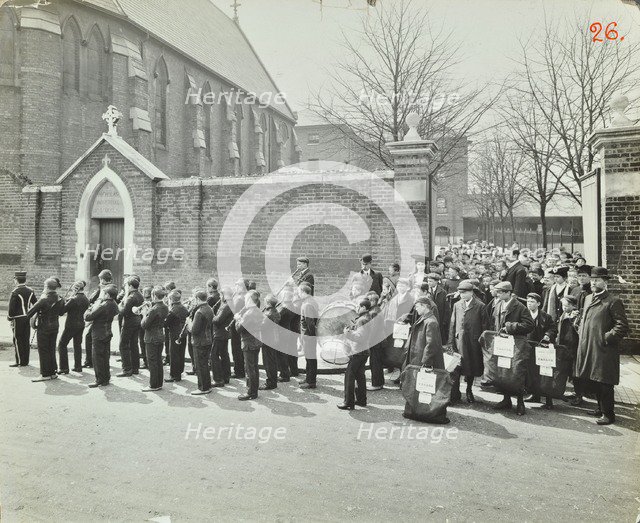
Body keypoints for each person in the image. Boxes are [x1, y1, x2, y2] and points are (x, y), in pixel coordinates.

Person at [574, 267, 628, 425]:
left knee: (604, 382)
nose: (593, 282)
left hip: (604, 349)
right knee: (594, 379)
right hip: (589, 347)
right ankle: (600, 408)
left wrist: (606, 338)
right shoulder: (588, 298)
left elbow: (622, 326)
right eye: (592, 280)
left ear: (605, 282)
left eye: (597, 280)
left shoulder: (613, 301)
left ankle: (608, 414)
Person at [489, 281, 534, 415]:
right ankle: (506, 399)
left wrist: (511, 327)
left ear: (508, 293)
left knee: (516, 373)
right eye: (497, 292)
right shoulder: (498, 304)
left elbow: (529, 325)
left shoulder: (520, 307)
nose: (497, 294)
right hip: (502, 344)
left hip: (516, 344)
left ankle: (520, 402)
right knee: (503, 372)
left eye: (500, 292)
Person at [402, 296, 448, 424]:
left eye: (417, 306)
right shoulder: (425, 319)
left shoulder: (431, 322)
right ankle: (418, 411)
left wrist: (426, 362)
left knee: (426, 387)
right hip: (418, 358)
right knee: (418, 386)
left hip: (423, 360)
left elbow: (431, 344)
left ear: (424, 306)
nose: (416, 309)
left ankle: (427, 412)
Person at [448, 280, 485, 404]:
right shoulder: (457, 305)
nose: (462, 295)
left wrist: (481, 341)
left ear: (471, 293)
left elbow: (485, 325)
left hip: (473, 342)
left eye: (465, 293)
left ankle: (469, 390)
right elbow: (453, 324)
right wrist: (451, 340)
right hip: (459, 341)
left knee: (471, 367)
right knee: (457, 366)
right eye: (460, 293)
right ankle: (455, 393)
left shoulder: (480, 306)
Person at [28, 278, 65, 382]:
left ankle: (45, 374)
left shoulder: (43, 299)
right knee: (51, 349)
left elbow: (30, 313)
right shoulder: (60, 298)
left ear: (47, 287)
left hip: (44, 327)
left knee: (43, 350)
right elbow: (61, 313)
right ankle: (53, 373)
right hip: (55, 326)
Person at [523, 292, 557, 408]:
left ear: (538, 303)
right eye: (528, 302)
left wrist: (548, 335)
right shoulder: (524, 314)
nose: (529, 304)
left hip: (542, 348)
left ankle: (548, 400)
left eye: (532, 302)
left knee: (545, 373)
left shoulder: (545, 316)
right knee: (532, 372)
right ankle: (535, 395)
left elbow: (553, 328)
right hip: (528, 347)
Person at [338, 298, 372, 410]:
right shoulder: (367, 317)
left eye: (358, 306)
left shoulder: (361, 320)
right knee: (360, 376)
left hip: (358, 352)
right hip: (364, 351)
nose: (356, 308)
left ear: (363, 308)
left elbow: (360, 337)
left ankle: (348, 402)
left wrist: (347, 333)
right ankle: (362, 400)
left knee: (349, 376)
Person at [83, 284, 119, 388]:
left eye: (104, 293)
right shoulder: (114, 304)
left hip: (98, 334)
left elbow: (88, 317)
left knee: (97, 357)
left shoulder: (103, 305)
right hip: (107, 332)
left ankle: (99, 379)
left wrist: (89, 309)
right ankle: (106, 378)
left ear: (107, 295)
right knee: (105, 356)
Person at [235, 290, 263, 400]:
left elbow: (239, 329)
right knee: (254, 367)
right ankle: (253, 390)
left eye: (246, 299)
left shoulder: (249, 313)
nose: (245, 301)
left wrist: (238, 319)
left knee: (250, 368)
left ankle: (251, 392)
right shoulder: (256, 310)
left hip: (249, 343)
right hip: (256, 341)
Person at [140, 286, 169, 392]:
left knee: (152, 362)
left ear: (154, 296)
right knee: (158, 361)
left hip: (151, 338)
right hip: (160, 336)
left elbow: (144, 325)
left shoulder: (154, 309)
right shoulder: (165, 307)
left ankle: (153, 385)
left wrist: (144, 314)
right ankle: (159, 383)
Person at [57, 280, 89, 373]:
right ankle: (78, 367)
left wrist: (62, 301)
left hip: (71, 325)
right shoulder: (85, 299)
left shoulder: (73, 299)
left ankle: (64, 368)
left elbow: (61, 312)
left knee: (62, 344)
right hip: (81, 324)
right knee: (77, 345)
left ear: (76, 289)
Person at [83, 269, 113, 368]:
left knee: (89, 337)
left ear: (103, 279)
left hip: (100, 315)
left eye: (100, 279)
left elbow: (92, 299)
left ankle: (90, 361)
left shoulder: (104, 289)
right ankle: (103, 361)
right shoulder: (112, 288)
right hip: (105, 317)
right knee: (105, 339)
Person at [557, 295, 582, 406]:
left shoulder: (576, 316)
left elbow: (578, 330)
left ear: (573, 306)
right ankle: (560, 391)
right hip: (563, 346)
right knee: (564, 371)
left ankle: (579, 395)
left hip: (573, 348)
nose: (564, 307)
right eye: (563, 305)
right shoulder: (564, 314)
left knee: (574, 374)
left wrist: (572, 319)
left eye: (566, 306)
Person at [7, 270, 36, 367]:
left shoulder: (15, 292)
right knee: (25, 338)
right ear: (25, 279)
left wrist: (10, 318)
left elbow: (11, 309)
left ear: (16, 280)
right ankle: (26, 361)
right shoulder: (30, 291)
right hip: (27, 318)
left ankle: (19, 361)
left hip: (17, 319)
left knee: (18, 339)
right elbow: (35, 304)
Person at [117, 276, 144, 377]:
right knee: (134, 344)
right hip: (137, 321)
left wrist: (119, 306)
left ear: (131, 286)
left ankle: (127, 369)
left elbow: (124, 311)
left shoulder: (131, 297)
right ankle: (135, 368)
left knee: (123, 345)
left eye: (127, 285)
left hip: (129, 322)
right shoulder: (140, 295)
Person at [189, 290, 214, 395]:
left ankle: (203, 388)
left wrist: (188, 323)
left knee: (200, 365)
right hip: (208, 339)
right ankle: (207, 385)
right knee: (204, 364)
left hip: (200, 341)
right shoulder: (209, 308)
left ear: (198, 299)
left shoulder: (199, 312)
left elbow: (194, 330)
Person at [164, 290, 189, 382]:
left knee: (174, 355)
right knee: (181, 353)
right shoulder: (184, 308)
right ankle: (180, 372)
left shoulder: (173, 310)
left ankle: (174, 375)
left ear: (171, 299)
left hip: (174, 334)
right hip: (183, 333)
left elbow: (165, 323)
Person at [297, 283, 319, 389]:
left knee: (310, 359)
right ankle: (308, 378)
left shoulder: (307, 305)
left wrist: (311, 337)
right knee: (309, 359)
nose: (298, 294)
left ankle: (311, 382)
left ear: (303, 292)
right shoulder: (311, 301)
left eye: (299, 292)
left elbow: (310, 323)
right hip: (309, 336)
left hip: (308, 336)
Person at [211, 287, 234, 386]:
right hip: (223, 333)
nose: (220, 296)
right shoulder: (227, 304)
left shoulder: (226, 306)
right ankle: (226, 376)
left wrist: (211, 316)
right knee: (224, 354)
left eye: (221, 295)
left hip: (220, 333)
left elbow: (217, 320)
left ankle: (218, 380)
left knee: (214, 355)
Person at [364, 291, 385, 391]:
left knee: (375, 363)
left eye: (368, 300)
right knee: (377, 363)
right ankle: (379, 383)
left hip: (376, 342)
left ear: (372, 301)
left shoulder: (373, 312)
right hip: (379, 341)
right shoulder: (376, 310)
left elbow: (373, 330)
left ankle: (376, 384)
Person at [260, 294, 281, 390]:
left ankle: (270, 382)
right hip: (274, 339)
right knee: (273, 361)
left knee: (268, 362)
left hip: (267, 339)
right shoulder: (275, 311)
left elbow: (261, 326)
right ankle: (273, 380)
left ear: (268, 303)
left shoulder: (268, 314)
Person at [276, 289, 298, 381]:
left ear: (284, 297)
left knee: (281, 354)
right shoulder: (292, 306)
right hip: (288, 330)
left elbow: (276, 317)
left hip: (282, 333)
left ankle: (284, 375)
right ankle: (291, 371)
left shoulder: (284, 308)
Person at [229, 278, 248, 379]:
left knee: (236, 349)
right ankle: (241, 369)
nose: (235, 286)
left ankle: (238, 371)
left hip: (236, 325)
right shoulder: (245, 296)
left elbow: (233, 311)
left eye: (237, 285)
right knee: (239, 349)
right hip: (242, 324)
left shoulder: (240, 298)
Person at [426, 272, 449, 343]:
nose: (429, 283)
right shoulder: (426, 291)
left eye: (431, 281)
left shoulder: (443, 292)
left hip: (440, 316)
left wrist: (445, 319)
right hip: (429, 316)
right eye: (428, 281)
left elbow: (446, 307)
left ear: (436, 282)